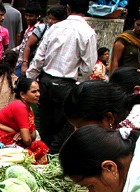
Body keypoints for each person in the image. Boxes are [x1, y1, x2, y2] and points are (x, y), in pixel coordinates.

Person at [26, 0, 96, 153]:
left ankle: (43, 155)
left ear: (68, 8)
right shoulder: (88, 32)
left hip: (45, 82)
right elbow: (88, 66)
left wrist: (30, 78)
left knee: (45, 125)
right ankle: (52, 159)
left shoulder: (54, 28)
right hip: (66, 85)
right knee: (63, 127)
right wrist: (79, 82)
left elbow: (39, 58)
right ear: (87, 9)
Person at [0, 77, 48, 163]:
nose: (38, 94)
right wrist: (22, 133)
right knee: (28, 154)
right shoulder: (19, 107)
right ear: (22, 95)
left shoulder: (29, 108)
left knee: (39, 145)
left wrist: (22, 133)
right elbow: (27, 140)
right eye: (34, 92)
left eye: (38, 91)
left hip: (13, 137)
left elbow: (32, 137)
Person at [20, 5, 67, 76]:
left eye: (53, 19)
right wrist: (25, 63)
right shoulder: (42, 28)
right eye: (49, 18)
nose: (50, 21)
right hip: (34, 66)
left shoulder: (65, 33)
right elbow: (28, 46)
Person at [14, 2, 41, 75]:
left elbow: (28, 46)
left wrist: (25, 63)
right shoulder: (28, 28)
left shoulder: (38, 30)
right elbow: (23, 45)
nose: (28, 18)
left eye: (31, 16)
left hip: (27, 64)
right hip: (20, 62)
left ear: (37, 16)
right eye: (26, 15)